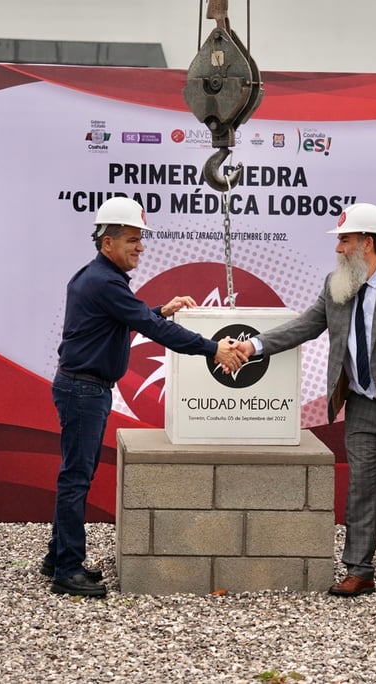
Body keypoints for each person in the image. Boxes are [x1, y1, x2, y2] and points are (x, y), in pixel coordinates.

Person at [234, 203, 376, 598]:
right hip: (364, 407)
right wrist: (254, 345)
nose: (338, 248)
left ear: (367, 243)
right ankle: (359, 569)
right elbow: (304, 326)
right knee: (361, 490)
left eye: (345, 240)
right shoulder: (337, 286)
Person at [43, 196, 247, 597]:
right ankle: (65, 570)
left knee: (73, 474)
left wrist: (161, 308)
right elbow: (155, 331)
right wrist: (214, 349)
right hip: (85, 391)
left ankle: (57, 556)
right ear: (108, 243)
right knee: (76, 479)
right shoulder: (106, 282)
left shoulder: (101, 279)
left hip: (82, 387)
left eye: (141, 239)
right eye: (133, 239)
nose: (140, 247)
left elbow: (126, 319)